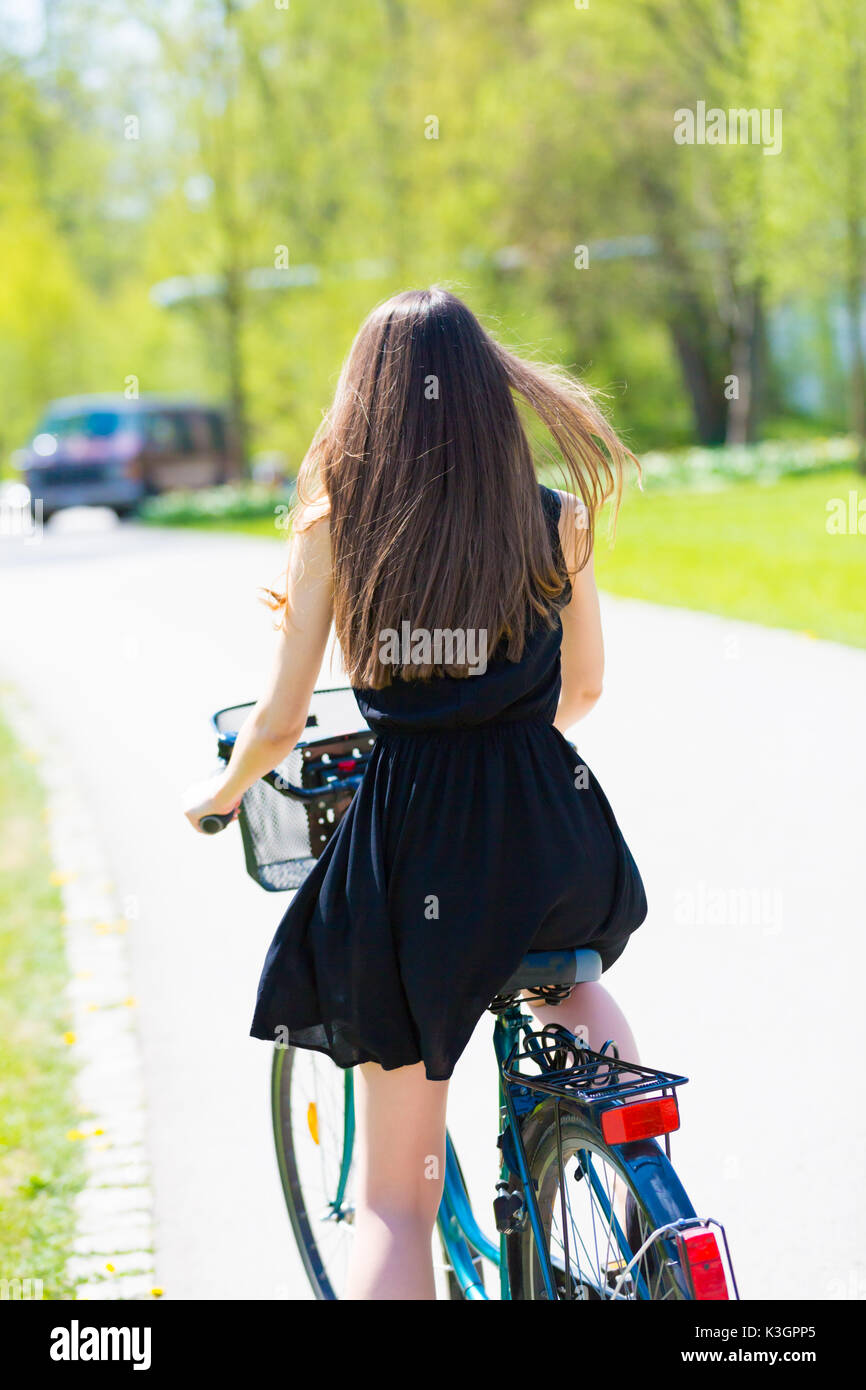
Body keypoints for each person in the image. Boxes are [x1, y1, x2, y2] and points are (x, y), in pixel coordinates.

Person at [184, 287, 647, 1300]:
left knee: (397, 1200)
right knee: (569, 979)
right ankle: (637, 1185)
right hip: (555, 835)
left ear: (368, 408)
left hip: (416, 863)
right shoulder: (554, 520)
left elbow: (276, 722)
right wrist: (512, 758)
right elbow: (586, 687)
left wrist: (218, 795)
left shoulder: (337, 531)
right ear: (488, 397)